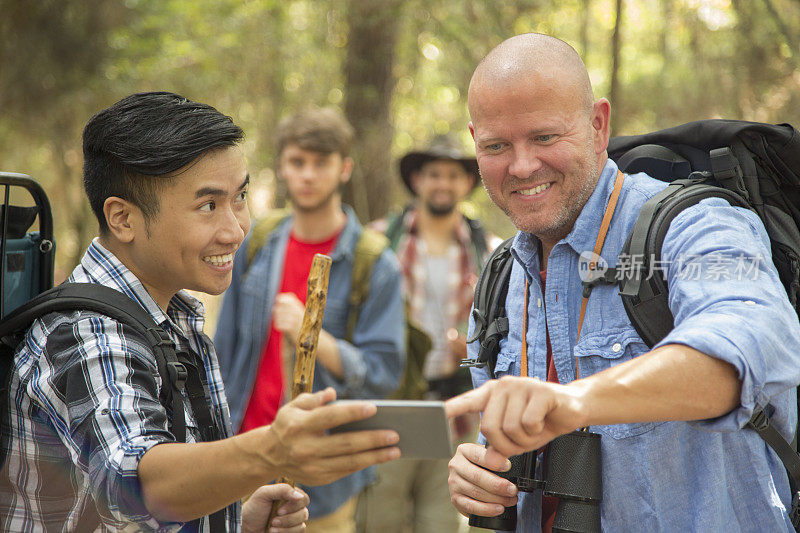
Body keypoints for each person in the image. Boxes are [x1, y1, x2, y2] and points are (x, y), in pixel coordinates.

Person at [445, 33, 800, 531]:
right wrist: (477, 476)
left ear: (597, 125)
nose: (522, 166)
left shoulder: (695, 226)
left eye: (545, 137)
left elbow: (749, 346)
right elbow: (500, 437)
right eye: (497, 146)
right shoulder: (502, 276)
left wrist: (577, 400)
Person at [0, 92, 401, 531]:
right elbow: (137, 482)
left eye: (240, 197)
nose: (235, 230)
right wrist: (271, 450)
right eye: (208, 205)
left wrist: (232, 523)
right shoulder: (87, 332)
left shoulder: (169, 315)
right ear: (123, 219)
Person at [215, 107, 405, 532]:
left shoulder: (375, 264)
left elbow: (383, 373)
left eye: (321, 163)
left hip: (322, 480)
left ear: (344, 169)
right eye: (298, 162)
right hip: (243, 456)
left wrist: (312, 335)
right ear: (282, 166)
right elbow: (223, 350)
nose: (307, 175)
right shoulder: (257, 244)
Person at [358, 135, 493, 533]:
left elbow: (495, 350)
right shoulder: (381, 240)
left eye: (453, 175)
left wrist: (465, 353)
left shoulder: (488, 250)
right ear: (417, 179)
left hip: (455, 414)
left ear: (467, 183)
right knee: (379, 520)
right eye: (434, 174)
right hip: (390, 407)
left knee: (441, 523)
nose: (443, 183)